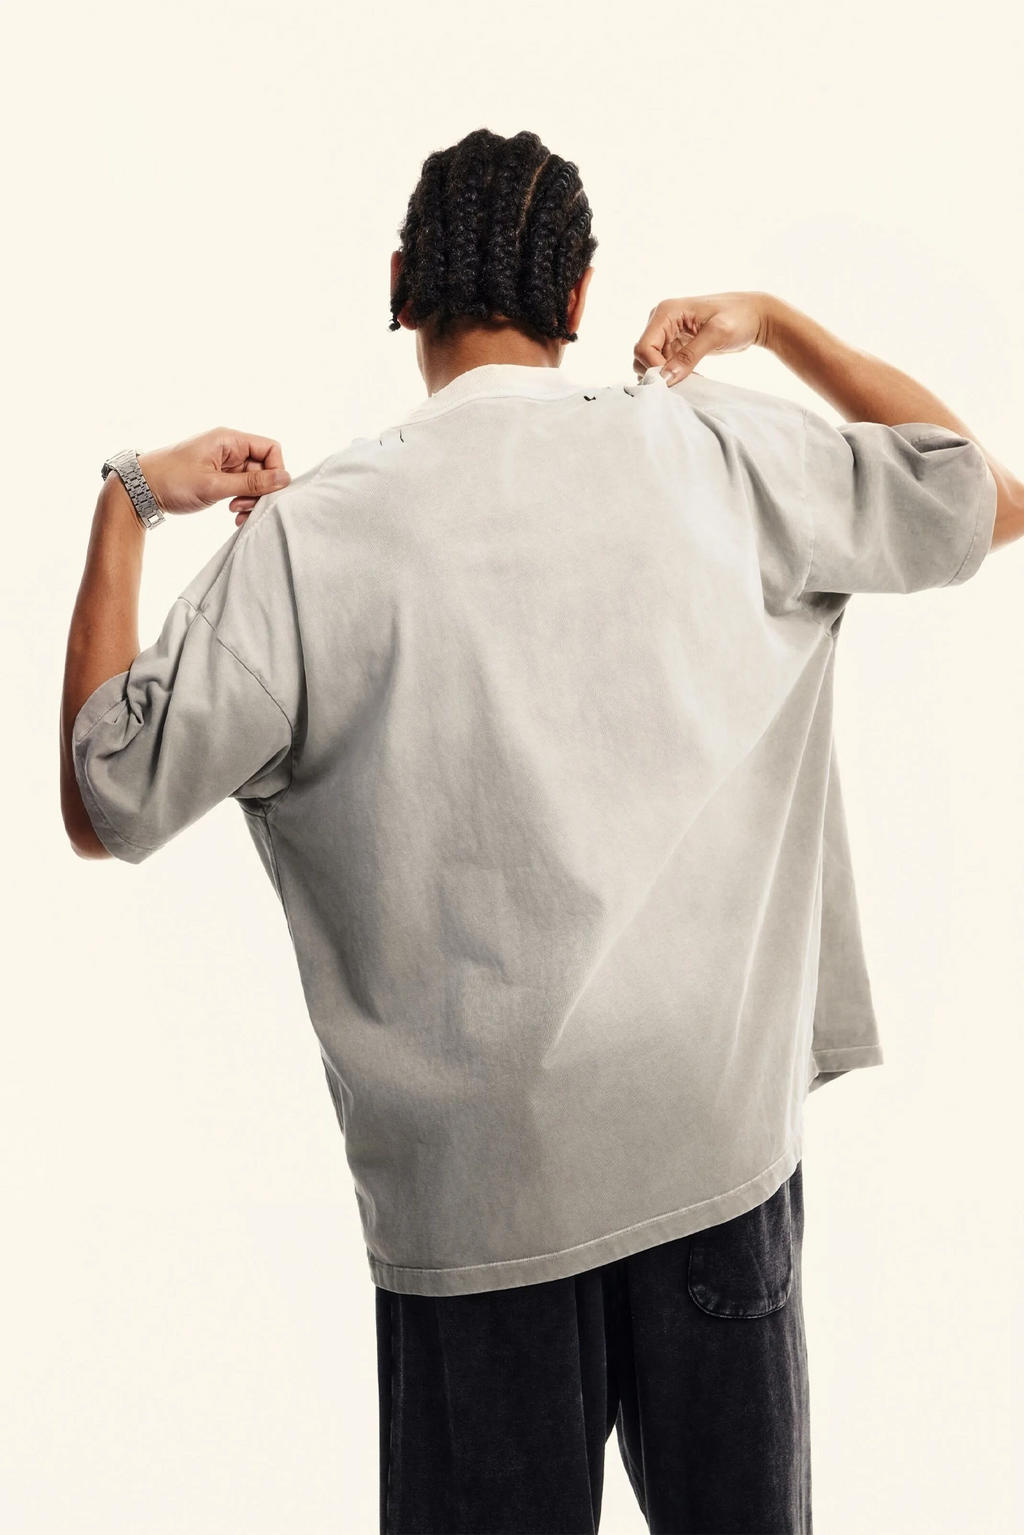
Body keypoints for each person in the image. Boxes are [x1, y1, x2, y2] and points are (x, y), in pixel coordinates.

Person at [59, 127, 1021, 1535]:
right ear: (579, 298)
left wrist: (131, 499)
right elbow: (982, 495)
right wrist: (767, 323)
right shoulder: (712, 446)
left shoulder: (309, 542)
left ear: (401, 284)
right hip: (707, 1146)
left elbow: (106, 796)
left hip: (477, 1209)